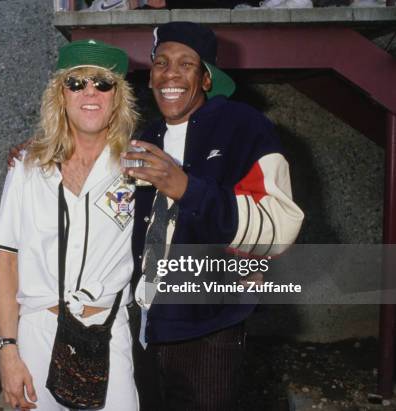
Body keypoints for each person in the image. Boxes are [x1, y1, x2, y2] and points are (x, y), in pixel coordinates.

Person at [121, 22, 304, 410]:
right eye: (161, 63)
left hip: (208, 330)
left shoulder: (243, 126)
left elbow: (280, 227)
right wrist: (37, 156)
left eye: (186, 64)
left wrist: (186, 187)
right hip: (143, 327)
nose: (170, 73)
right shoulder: (144, 136)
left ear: (206, 78)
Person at [0, 39, 139, 410]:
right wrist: (7, 352)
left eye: (102, 83)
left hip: (108, 331)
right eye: (77, 83)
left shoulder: (140, 167)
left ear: (117, 96)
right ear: (61, 94)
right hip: (39, 332)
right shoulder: (27, 166)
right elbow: (6, 262)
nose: (90, 92)